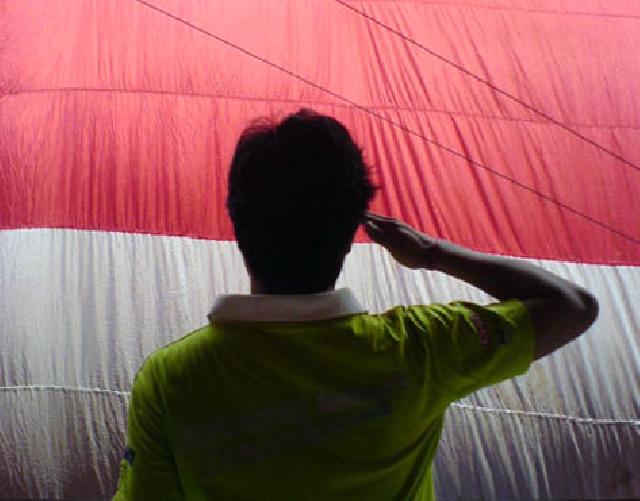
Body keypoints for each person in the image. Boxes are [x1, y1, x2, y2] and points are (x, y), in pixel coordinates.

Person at [113, 109, 599, 500]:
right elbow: (572, 306)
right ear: (352, 233)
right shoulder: (421, 349)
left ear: (237, 222)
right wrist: (432, 253)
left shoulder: (170, 380)